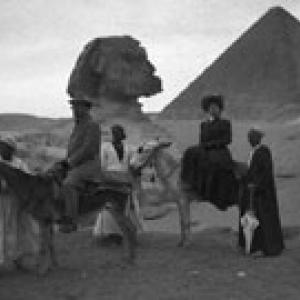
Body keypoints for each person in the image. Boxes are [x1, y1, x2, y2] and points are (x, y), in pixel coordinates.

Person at [93, 124, 143, 245]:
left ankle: (123, 234)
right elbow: (102, 164)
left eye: (118, 132)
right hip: (109, 180)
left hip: (124, 180)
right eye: (114, 133)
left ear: (122, 134)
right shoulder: (105, 147)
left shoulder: (129, 148)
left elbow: (134, 162)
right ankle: (109, 234)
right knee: (109, 207)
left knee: (125, 207)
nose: (116, 135)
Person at [238, 127, 284, 256]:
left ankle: (265, 248)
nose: (250, 139)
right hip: (253, 191)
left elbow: (265, 173)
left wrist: (256, 185)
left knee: (262, 220)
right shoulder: (254, 152)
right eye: (249, 137)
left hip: (262, 193)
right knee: (250, 218)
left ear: (258, 138)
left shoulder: (263, 152)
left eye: (252, 136)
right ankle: (250, 245)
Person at [60, 98, 100, 233]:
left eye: (77, 107)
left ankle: (71, 221)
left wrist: (70, 162)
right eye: (73, 107)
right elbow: (73, 148)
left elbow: (88, 149)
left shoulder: (92, 125)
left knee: (68, 184)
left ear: (86, 108)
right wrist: (63, 162)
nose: (74, 110)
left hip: (88, 165)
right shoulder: (78, 125)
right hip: (75, 164)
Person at [0, 136, 40, 268]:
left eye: (6, 147)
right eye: (1, 146)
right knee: (2, 230)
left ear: (12, 150)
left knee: (21, 229)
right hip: (2, 203)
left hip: (18, 202)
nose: (3, 149)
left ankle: (20, 258)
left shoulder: (19, 164)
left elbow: (27, 180)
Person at [198, 94, 237, 209]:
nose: (213, 110)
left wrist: (212, 144)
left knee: (219, 167)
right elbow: (201, 141)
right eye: (211, 107)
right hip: (206, 152)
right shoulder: (203, 125)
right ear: (207, 109)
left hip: (220, 152)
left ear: (220, 109)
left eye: (216, 107)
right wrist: (204, 147)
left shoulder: (225, 123)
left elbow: (227, 139)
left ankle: (223, 197)